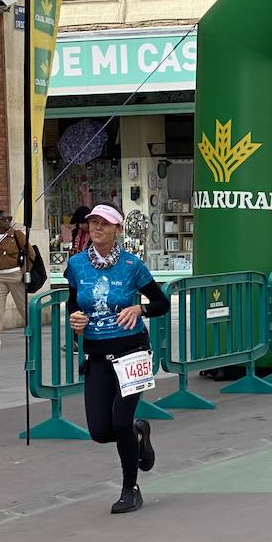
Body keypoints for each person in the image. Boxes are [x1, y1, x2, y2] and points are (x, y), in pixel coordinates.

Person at [66, 204, 170, 515]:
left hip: (132, 351)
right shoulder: (76, 265)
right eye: (93, 223)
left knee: (120, 420)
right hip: (97, 354)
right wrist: (75, 321)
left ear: (117, 230)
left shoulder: (131, 265)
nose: (97, 228)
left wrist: (140, 309)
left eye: (104, 223)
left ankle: (130, 488)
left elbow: (161, 302)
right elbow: (74, 303)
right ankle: (139, 434)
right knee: (100, 431)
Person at [0, 208, 28, 349]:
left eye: (10, 218)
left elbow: (30, 253)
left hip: (15, 275)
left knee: (23, 306)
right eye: (4, 219)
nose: (8, 221)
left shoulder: (17, 235)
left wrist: (23, 271)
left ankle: (33, 331)